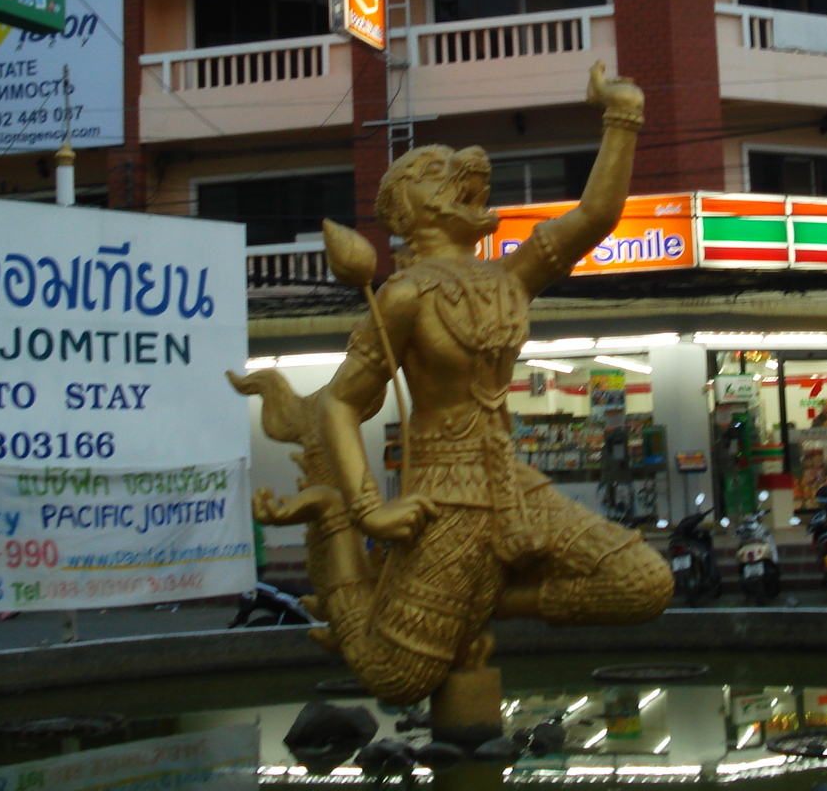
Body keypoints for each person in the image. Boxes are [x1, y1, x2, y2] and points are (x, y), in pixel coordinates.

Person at [233, 62, 673, 706]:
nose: (468, 179)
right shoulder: (402, 295)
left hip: (514, 485)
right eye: (439, 172)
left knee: (643, 584)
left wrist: (621, 114)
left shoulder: (508, 277)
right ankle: (330, 524)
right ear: (409, 206)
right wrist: (364, 509)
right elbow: (339, 404)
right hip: (444, 496)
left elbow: (597, 214)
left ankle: (484, 598)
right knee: (395, 679)